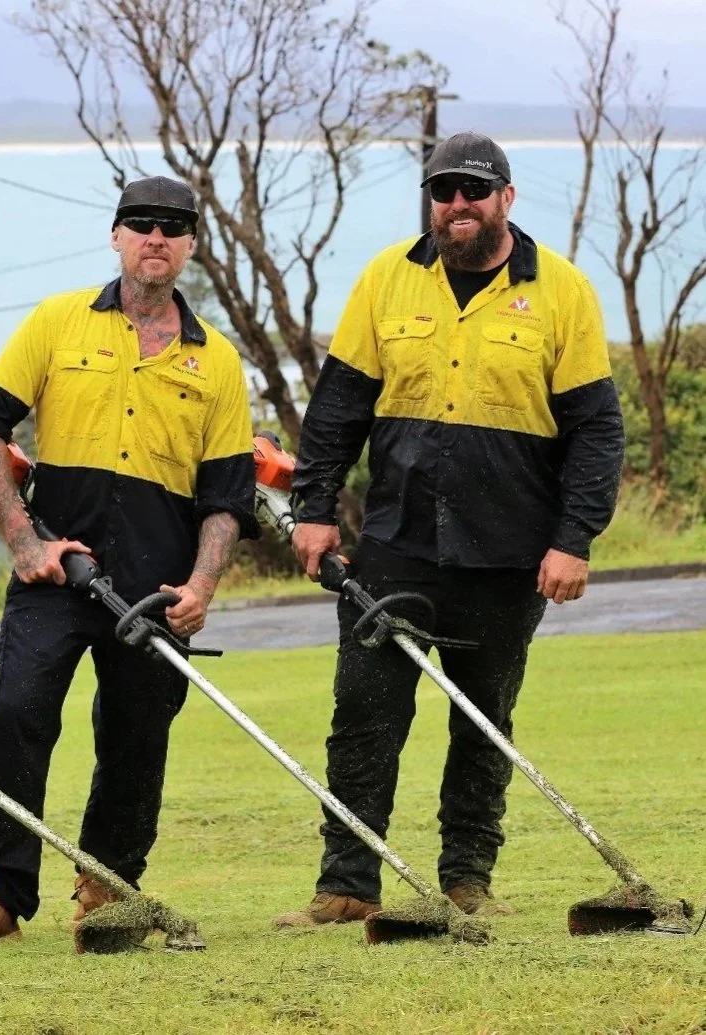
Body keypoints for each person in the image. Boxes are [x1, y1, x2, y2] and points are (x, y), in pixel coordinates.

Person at [277, 132, 625, 927]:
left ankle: (467, 879)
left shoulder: (563, 292)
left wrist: (574, 539)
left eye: (473, 189)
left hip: (509, 553)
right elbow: (338, 409)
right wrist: (314, 509)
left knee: (482, 723)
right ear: (429, 201)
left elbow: (596, 433)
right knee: (363, 716)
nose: (456, 204)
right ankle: (345, 884)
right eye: (443, 190)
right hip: (395, 544)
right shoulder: (385, 281)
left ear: (507, 197)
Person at [0, 175, 257, 947]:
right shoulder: (56, 322)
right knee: (16, 715)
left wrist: (203, 585)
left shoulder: (217, 363)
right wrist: (23, 541)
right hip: (55, 571)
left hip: (158, 588)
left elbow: (225, 497)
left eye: (174, 227)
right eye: (141, 224)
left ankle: (108, 891)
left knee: (137, 738)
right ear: (116, 236)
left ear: (190, 246)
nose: (157, 237)